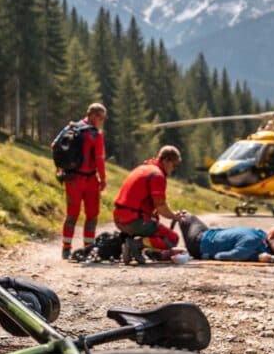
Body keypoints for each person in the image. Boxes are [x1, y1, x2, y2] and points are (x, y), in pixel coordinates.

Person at [112, 145, 188, 264]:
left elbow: (151, 206)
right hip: (134, 220)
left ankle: (133, 248)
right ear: (166, 160)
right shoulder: (157, 175)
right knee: (172, 238)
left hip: (119, 218)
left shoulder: (144, 168)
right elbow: (161, 206)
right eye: (174, 165)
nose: (173, 169)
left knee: (155, 227)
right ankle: (135, 244)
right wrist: (174, 216)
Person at [53, 103, 107, 259]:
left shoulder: (70, 128)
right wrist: (103, 179)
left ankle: (66, 248)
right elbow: (99, 159)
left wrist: (61, 167)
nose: (101, 121)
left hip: (71, 179)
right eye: (101, 117)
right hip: (89, 179)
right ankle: (88, 248)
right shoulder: (96, 134)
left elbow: (54, 145)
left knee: (72, 214)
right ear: (93, 116)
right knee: (92, 214)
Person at [178, 215, 274, 262]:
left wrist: (208, 256)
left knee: (185, 216)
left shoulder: (257, 242)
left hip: (198, 243)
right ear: (273, 237)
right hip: (205, 235)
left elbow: (226, 256)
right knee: (185, 215)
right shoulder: (259, 238)